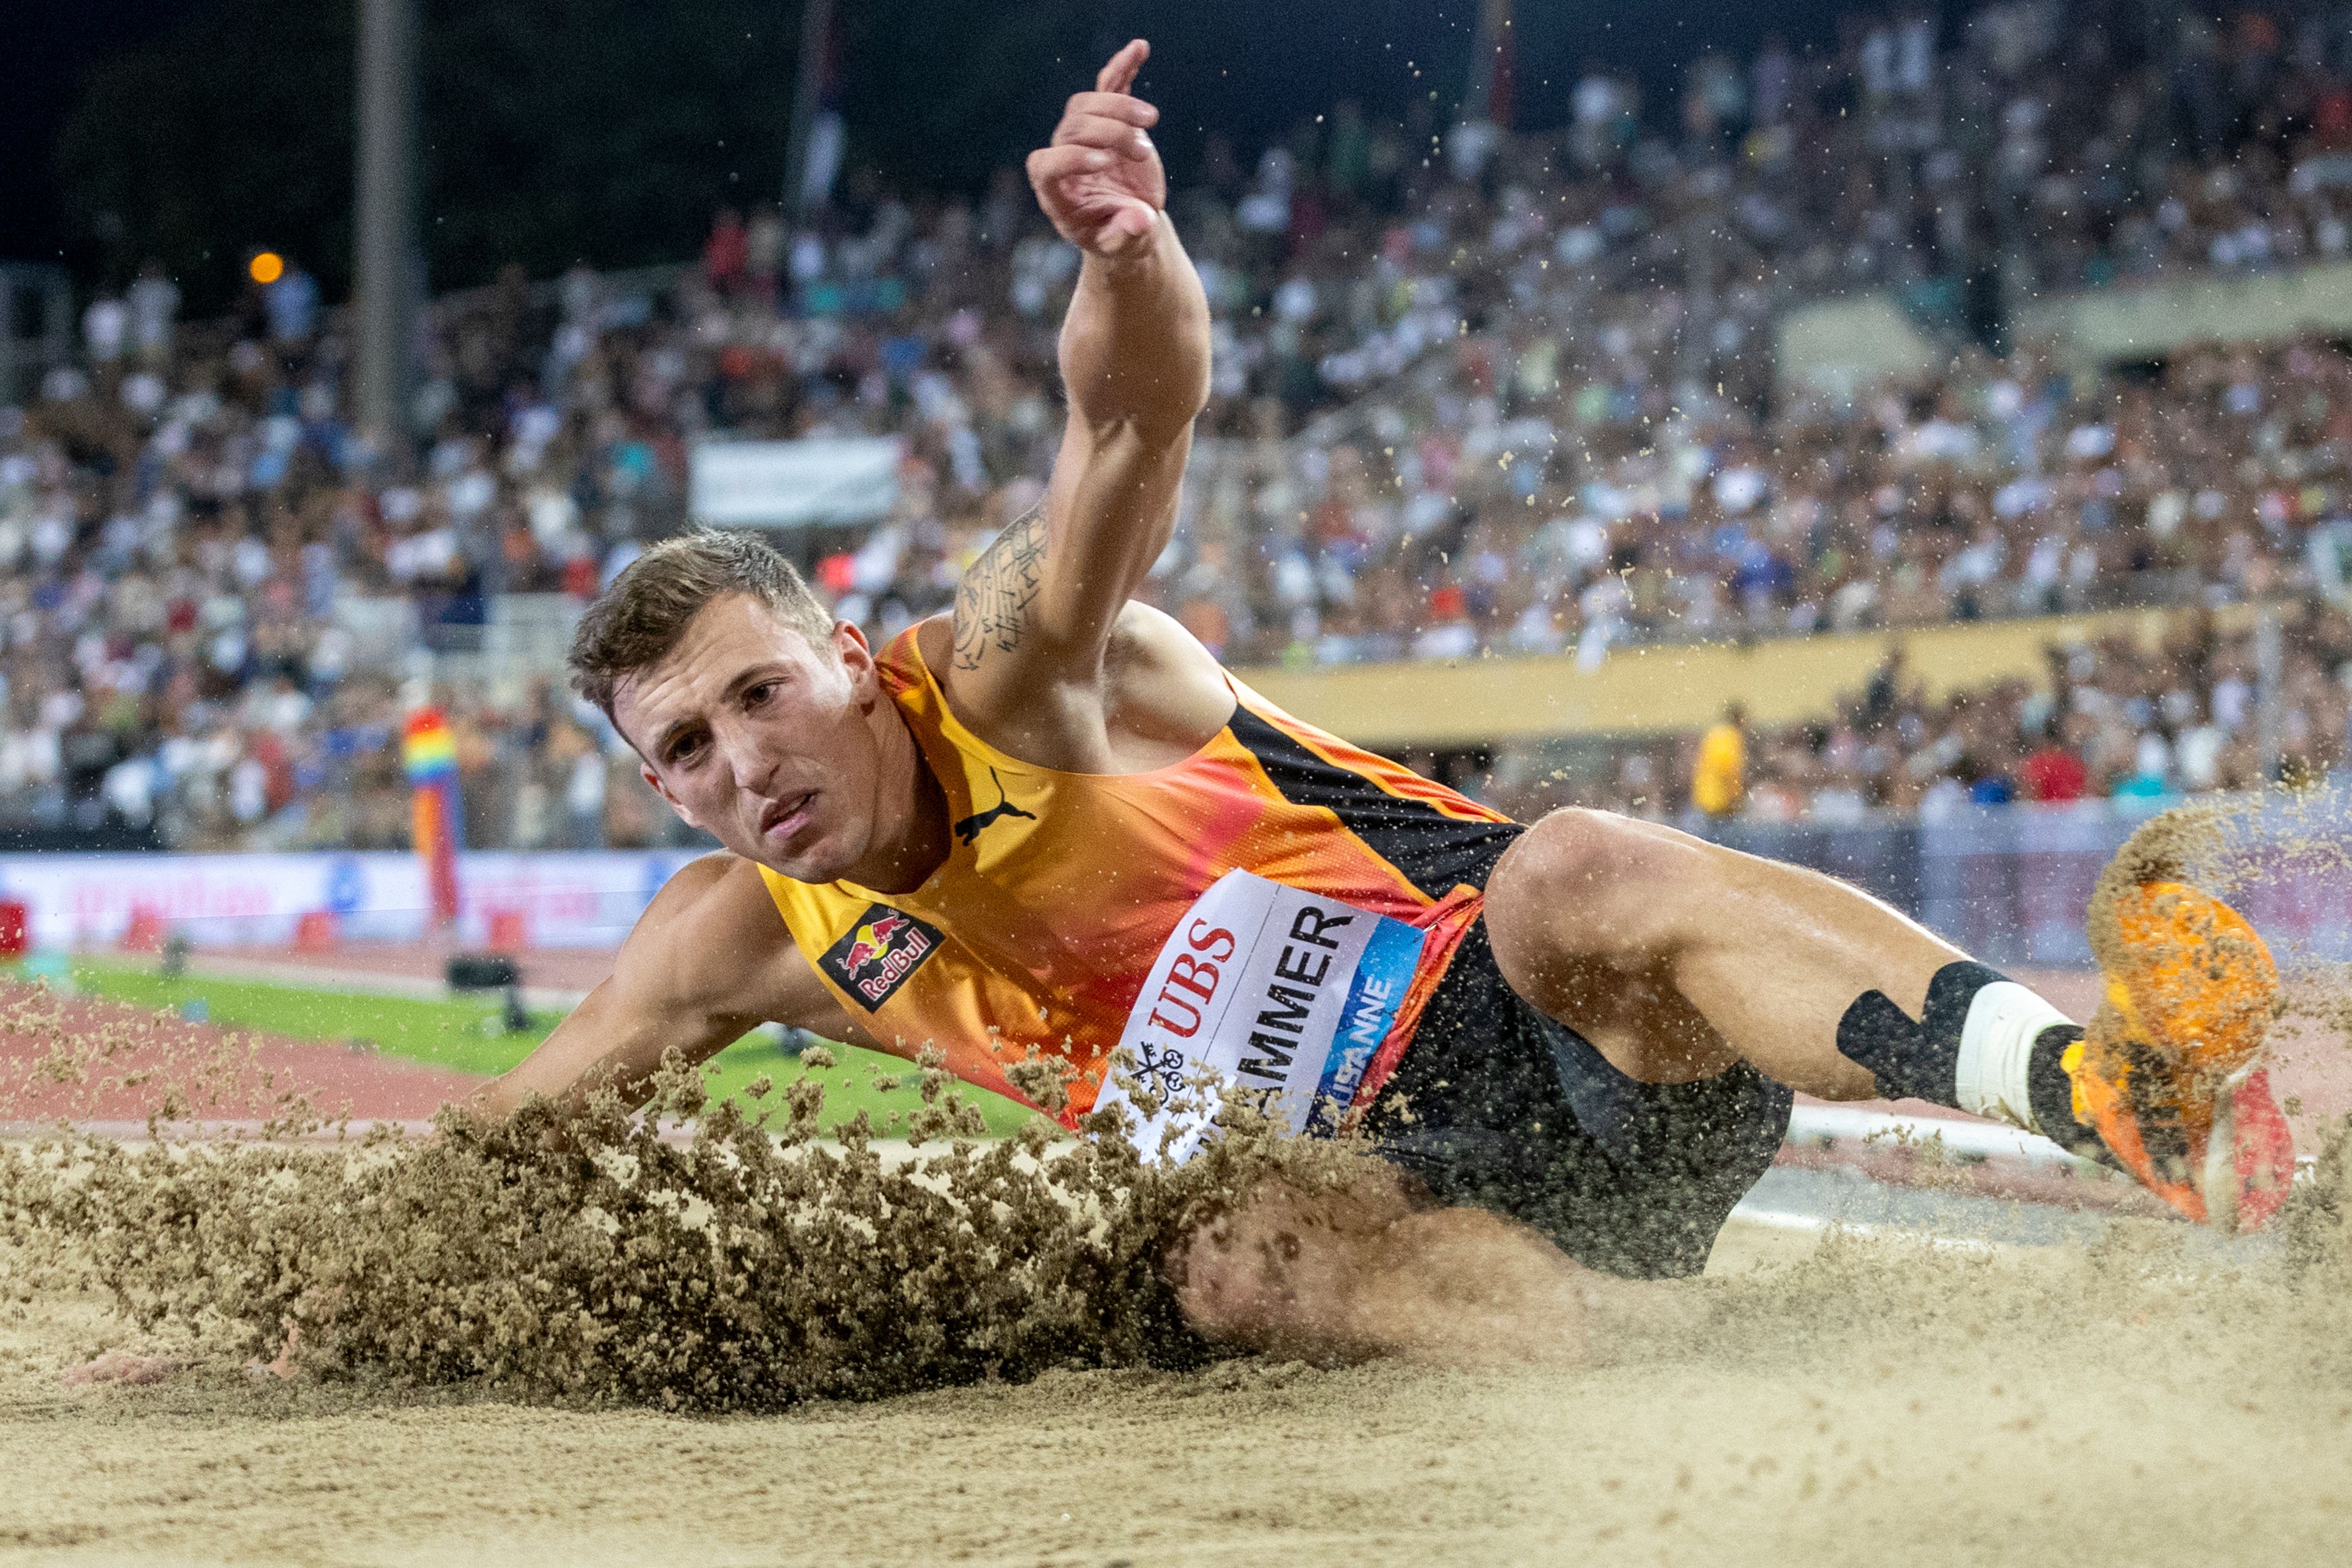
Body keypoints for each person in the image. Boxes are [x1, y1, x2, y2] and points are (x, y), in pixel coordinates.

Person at [479, 41, 2294, 1367]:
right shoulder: (733, 936)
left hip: (1567, 1038)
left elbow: (1125, 424)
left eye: (759, 696)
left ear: (849, 662)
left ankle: (2091, 1087)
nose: (743, 764)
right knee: (1229, 1259)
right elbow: (495, 1154)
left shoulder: (1013, 667)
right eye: (686, 754)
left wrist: (1124, 256)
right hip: (1405, 1213)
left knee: (1570, 862)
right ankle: (1643, 1394)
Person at [1689, 702, 1748, 821]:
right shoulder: (1730, 736)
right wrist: (1735, 797)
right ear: (1739, 718)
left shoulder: (1715, 734)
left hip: (1706, 797)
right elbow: (1727, 767)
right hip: (1720, 802)